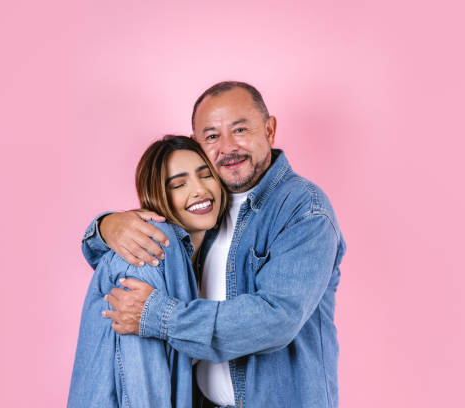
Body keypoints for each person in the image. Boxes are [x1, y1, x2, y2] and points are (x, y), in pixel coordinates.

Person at [83, 81, 347, 408]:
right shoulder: (206, 209)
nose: (227, 147)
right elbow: (120, 260)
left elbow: (275, 319)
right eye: (212, 136)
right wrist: (106, 226)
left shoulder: (303, 208)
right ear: (198, 145)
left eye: (239, 129)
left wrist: (159, 316)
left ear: (269, 129)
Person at [68, 136, 228, 407]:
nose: (199, 190)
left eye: (206, 176)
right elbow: (140, 382)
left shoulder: (208, 253)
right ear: (158, 195)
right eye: (179, 184)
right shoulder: (148, 251)